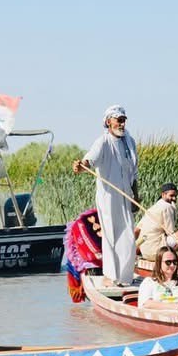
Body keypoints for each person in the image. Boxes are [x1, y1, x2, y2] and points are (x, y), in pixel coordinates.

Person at [72, 105, 138, 286]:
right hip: (108, 197)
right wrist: (80, 165)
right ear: (109, 121)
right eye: (118, 120)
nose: (122, 123)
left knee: (128, 237)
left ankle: (125, 278)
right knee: (110, 233)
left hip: (126, 195)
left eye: (123, 120)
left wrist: (136, 195)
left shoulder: (130, 142)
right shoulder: (103, 142)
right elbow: (88, 161)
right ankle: (110, 276)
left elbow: (134, 172)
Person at [135, 183, 178, 257]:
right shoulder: (167, 206)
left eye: (175, 196)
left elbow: (136, 230)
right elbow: (170, 232)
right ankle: (170, 256)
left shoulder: (151, 209)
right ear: (163, 195)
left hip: (145, 253)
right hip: (157, 251)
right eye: (171, 195)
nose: (174, 198)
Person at [138, 246, 178, 313]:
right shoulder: (149, 282)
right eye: (168, 262)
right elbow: (146, 304)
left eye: (175, 262)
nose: (172, 265)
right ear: (159, 263)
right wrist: (176, 307)